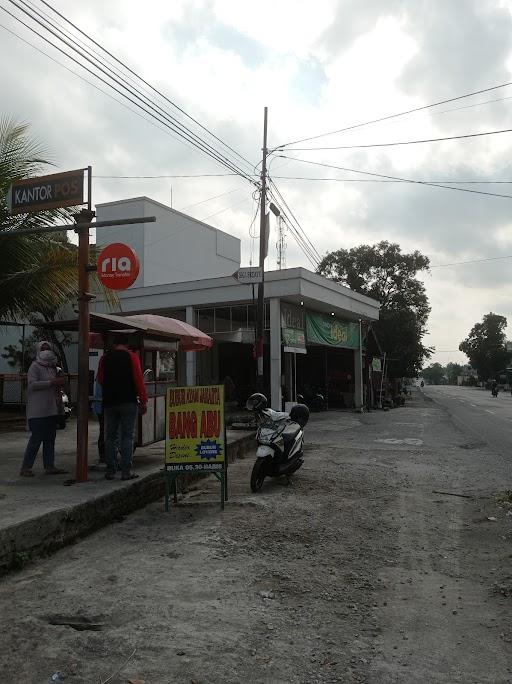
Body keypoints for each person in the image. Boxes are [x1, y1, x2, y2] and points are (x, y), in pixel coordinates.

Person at [97, 333, 147, 480]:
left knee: (110, 436)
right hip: (128, 401)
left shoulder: (104, 358)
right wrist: (143, 401)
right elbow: (139, 380)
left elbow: (100, 379)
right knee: (127, 436)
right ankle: (126, 471)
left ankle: (110, 470)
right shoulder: (132, 357)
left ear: (114, 344)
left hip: (110, 402)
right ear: (127, 345)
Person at [19, 341, 68, 477]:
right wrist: (52, 382)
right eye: (43, 349)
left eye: (48, 348)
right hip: (38, 410)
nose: (46, 351)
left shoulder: (54, 368)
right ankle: (26, 467)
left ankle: (50, 466)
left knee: (50, 439)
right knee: (36, 439)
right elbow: (32, 385)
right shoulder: (34, 367)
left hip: (51, 409)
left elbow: (59, 386)